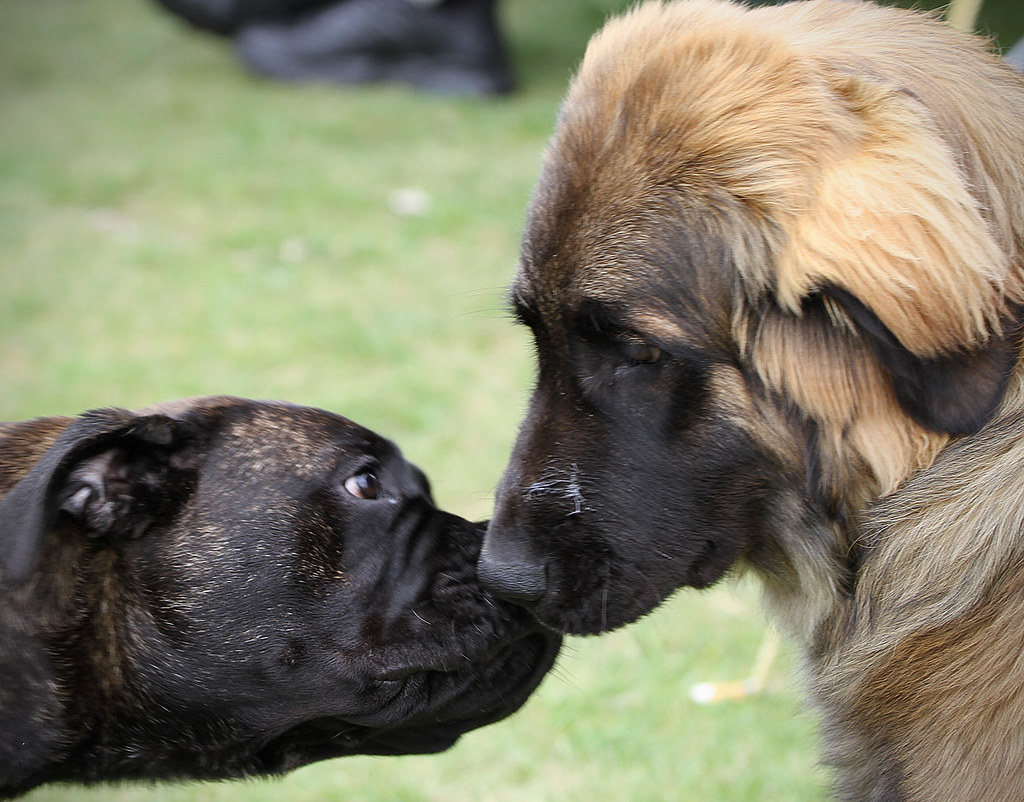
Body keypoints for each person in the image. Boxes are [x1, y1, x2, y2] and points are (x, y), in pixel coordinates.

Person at [154, 0, 515, 95]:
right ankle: (458, 61)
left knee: (262, 46)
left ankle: (453, 68)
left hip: (426, 13)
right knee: (261, 38)